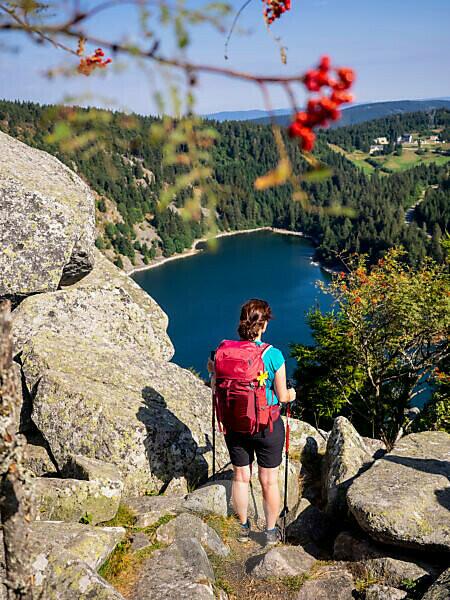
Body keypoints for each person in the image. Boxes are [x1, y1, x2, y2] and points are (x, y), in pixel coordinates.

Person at [208, 298, 296, 546]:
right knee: (268, 480)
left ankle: (244, 526)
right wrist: (293, 394)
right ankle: (269, 531)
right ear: (264, 324)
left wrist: (211, 370)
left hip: (234, 424)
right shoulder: (273, 355)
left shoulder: (223, 351)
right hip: (266, 426)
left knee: (240, 476)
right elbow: (281, 395)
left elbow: (215, 384)